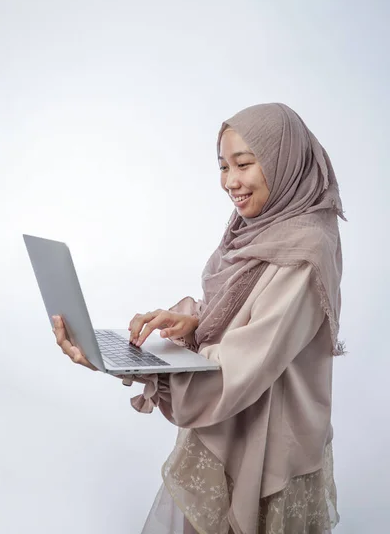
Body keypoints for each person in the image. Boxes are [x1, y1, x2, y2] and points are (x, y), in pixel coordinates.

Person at [52, 102, 346, 534]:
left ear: (284, 161)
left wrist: (137, 367)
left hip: (267, 453)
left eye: (243, 164)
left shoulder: (303, 253)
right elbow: (246, 318)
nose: (230, 181)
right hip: (232, 431)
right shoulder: (258, 228)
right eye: (223, 166)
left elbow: (240, 371)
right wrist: (194, 323)